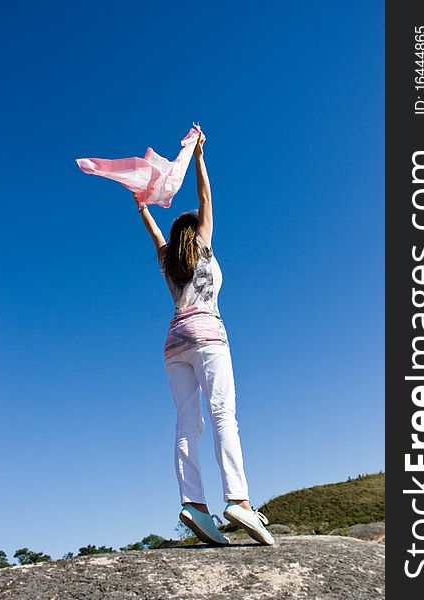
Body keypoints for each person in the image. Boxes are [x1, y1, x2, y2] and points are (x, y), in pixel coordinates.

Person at [133, 132, 274, 546]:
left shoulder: (169, 259)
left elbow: (153, 230)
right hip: (208, 335)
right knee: (223, 415)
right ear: (195, 229)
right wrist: (198, 156)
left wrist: (142, 205)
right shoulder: (203, 246)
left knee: (186, 423)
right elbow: (206, 196)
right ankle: (238, 501)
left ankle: (193, 504)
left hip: (174, 342)